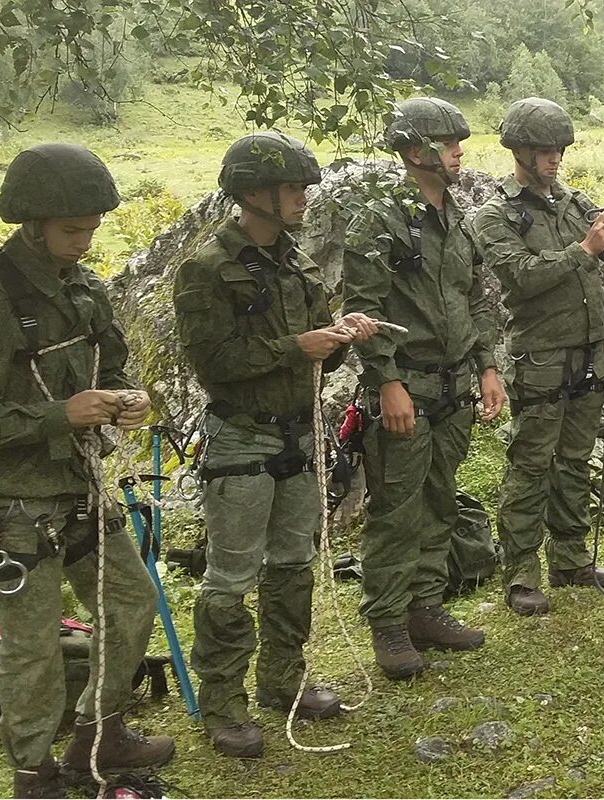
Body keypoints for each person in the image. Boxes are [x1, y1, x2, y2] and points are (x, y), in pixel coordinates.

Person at [0, 143, 174, 798]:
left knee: (131, 602)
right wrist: (58, 414)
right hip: (13, 506)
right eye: (73, 230)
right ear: (32, 224)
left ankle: (100, 732)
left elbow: (111, 369)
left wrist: (127, 399)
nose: (86, 242)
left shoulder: (85, 288)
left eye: (93, 228)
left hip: (80, 489)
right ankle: (34, 774)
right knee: (32, 647)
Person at [173, 132, 378, 757]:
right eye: (292, 188)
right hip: (241, 438)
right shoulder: (207, 269)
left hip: (299, 433)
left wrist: (341, 337)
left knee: (294, 566)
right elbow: (213, 362)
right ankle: (223, 705)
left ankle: (284, 684)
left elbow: (313, 348)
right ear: (253, 194)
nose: (304, 198)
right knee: (231, 576)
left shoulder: (299, 261)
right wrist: (300, 346)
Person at [342, 97, 504, 678]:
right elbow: (360, 309)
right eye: (447, 142)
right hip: (404, 387)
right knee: (396, 509)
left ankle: (425, 608)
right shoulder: (379, 218)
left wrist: (487, 366)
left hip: (455, 386)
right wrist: (385, 381)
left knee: (440, 500)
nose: (459, 151)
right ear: (416, 152)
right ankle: (387, 622)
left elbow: (476, 298)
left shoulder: (458, 218)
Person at [471, 97, 604, 616]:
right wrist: (583, 249)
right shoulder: (497, 213)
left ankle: (570, 558)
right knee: (530, 465)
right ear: (519, 151)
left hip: (590, 354)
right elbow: (520, 274)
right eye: (544, 150)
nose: (554, 158)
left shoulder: (575, 203)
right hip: (541, 354)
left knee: (574, 461)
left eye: (560, 149)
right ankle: (521, 573)